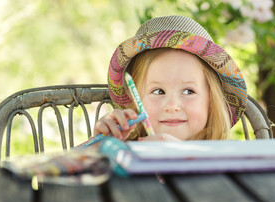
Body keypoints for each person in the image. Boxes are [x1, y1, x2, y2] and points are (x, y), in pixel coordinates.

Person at [94, 15, 247, 141]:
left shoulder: (223, 160)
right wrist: (102, 149)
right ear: (135, 99)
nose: (172, 105)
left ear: (211, 100)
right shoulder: (125, 154)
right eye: (158, 91)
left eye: (188, 91)